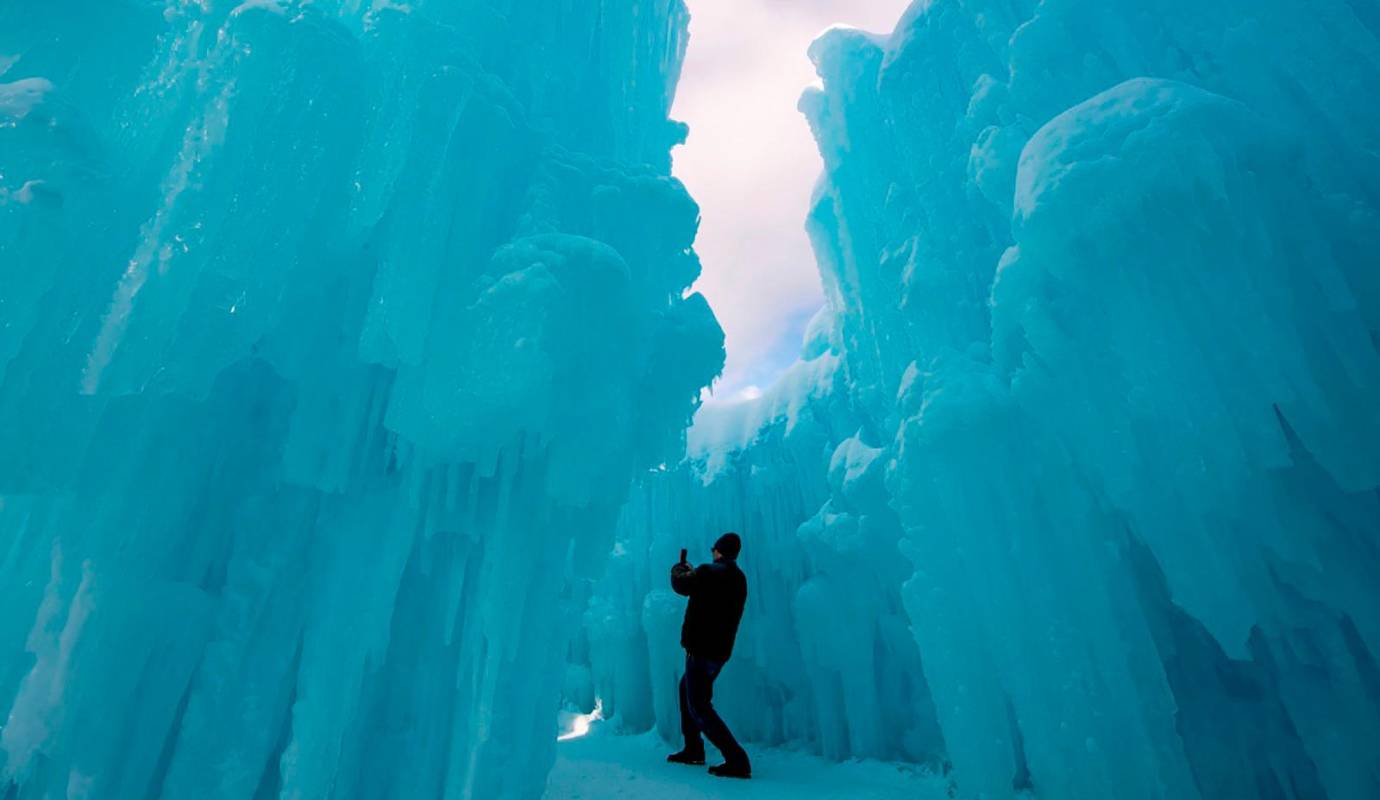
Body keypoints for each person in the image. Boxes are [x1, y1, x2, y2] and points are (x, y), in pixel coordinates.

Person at [666, 532, 751, 779]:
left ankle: (737, 759)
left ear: (719, 551)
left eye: (714, 548)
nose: (712, 551)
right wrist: (695, 574)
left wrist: (678, 569)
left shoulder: (708, 572)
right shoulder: (738, 578)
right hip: (719, 652)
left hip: (701, 650)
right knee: (687, 692)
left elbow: (681, 585)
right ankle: (693, 748)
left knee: (699, 706)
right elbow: (702, 586)